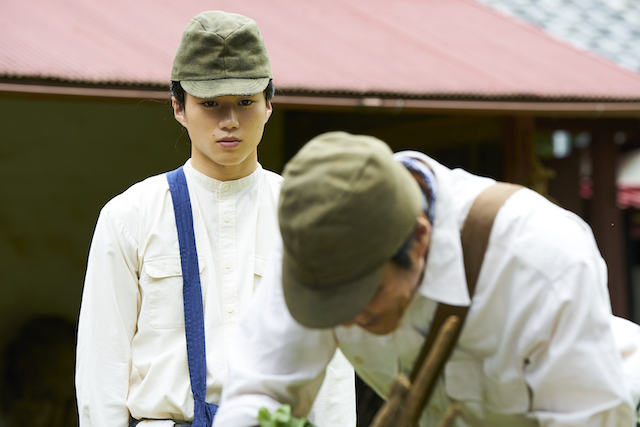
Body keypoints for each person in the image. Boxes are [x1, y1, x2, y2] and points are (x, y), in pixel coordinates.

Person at [213, 131, 640, 427]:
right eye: (329, 304)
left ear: (419, 238)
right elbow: (259, 393)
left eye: (367, 294)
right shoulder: (315, 240)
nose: (343, 320)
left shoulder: (541, 260)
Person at [75, 12, 355, 427]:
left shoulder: (306, 218)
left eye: (245, 102)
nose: (229, 120)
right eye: (210, 103)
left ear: (269, 104)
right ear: (178, 107)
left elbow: (332, 369)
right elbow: (102, 366)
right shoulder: (129, 216)